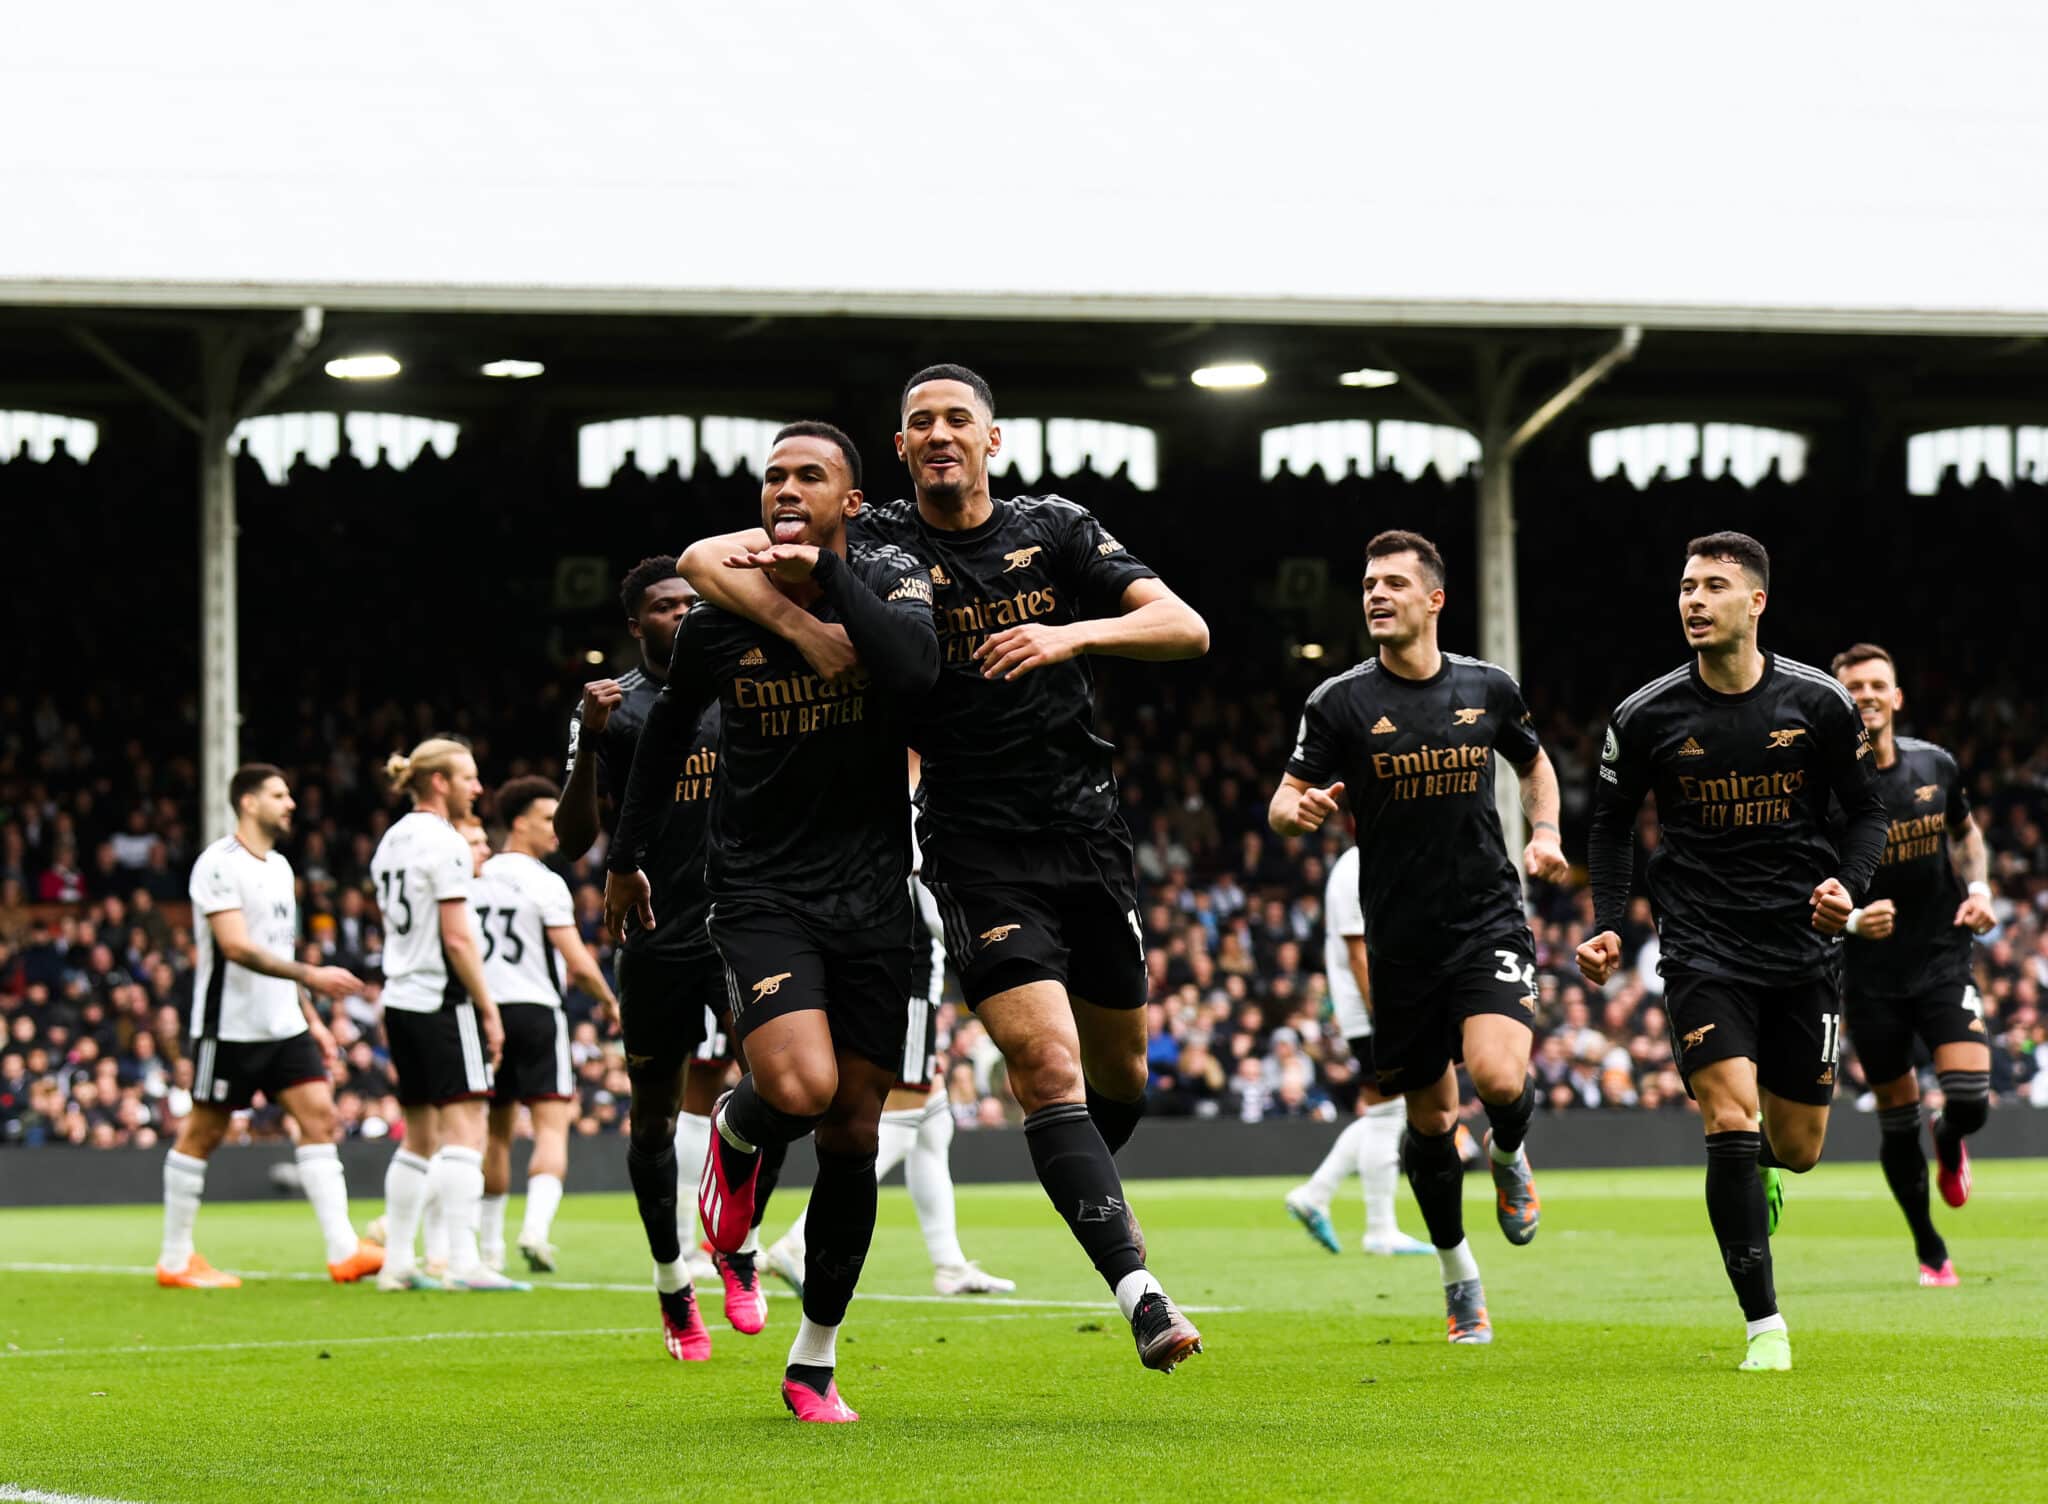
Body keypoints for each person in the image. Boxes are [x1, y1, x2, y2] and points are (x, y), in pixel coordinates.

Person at [677, 366, 1210, 1376]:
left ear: (990, 440)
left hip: (1088, 835)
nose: (937, 433)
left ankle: (1081, 1178)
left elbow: (1183, 625)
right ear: (899, 447)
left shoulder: (1053, 528)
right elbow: (707, 554)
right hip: (971, 842)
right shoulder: (875, 541)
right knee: (1044, 1067)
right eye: (918, 421)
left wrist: (1070, 633)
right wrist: (803, 627)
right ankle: (1140, 1294)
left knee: (1120, 1084)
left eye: (955, 418)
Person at [607, 421, 938, 1421]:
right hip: (759, 889)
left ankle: (815, 1357)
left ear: (850, 499)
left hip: (877, 897)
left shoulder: (891, 574)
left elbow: (912, 674)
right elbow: (665, 733)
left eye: (810, 477)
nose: (785, 490)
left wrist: (829, 583)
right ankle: (737, 1131)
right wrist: (622, 860)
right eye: (772, 477)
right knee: (797, 1085)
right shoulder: (720, 612)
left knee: (852, 1130)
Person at [1578, 532, 1887, 1372]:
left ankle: (1767, 1173)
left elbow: (1867, 812)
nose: (1693, 600)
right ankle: (1765, 1326)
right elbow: (1610, 825)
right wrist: (1611, 919)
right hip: (1702, 947)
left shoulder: (1819, 704)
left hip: (1802, 948)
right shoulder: (1646, 715)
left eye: (1714, 586)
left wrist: (1848, 889)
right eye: (1685, 586)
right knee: (1729, 1120)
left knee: (1797, 1147)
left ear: (1755, 603)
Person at [1270, 530, 1568, 1346]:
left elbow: (1535, 764)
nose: (1376, 594)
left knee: (1502, 1079)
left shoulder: (1488, 687)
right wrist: (1293, 811)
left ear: (1434, 599)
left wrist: (1544, 832)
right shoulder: (1339, 702)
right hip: (1401, 940)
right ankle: (1458, 1275)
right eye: (1369, 582)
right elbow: (1283, 799)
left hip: (1486, 917)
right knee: (1431, 1124)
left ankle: (1509, 1155)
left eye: (1395, 582)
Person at [555, 556, 758, 1361]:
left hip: (744, 919)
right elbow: (571, 842)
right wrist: (589, 747)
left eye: (692, 602)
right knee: (650, 1116)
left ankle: (734, 1247)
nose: (684, 613)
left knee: (782, 1084)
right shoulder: (619, 711)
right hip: (655, 932)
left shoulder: (741, 689)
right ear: (638, 624)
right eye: (667, 606)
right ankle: (674, 1285)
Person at [766, 775, 1016, 1298]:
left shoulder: (871, 804)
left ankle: (948, 1264)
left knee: (933, 1127)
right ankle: (796, 1242)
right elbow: (937, 913)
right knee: (899, 1123)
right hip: (910, 983)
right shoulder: (921, 809)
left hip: (885, 975)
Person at [157, 764, 383, 1289]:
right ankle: (174, 1259)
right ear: (248, 803)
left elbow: (278, 950)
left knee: (320, 1117)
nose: (291, 804)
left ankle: (343, 1249)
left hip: (285, 1025)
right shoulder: (216, 865)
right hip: (229, 1028)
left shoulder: (281, 867)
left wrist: (312, 1018)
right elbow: (235, 947)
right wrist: (313, 975)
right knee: (203, 1133)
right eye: (279, 795)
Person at [1830, 644, 1998, 1286]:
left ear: (1896, 698)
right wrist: (1849, 920)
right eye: (1854, 687)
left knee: (1971, 1102)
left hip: (1940, 960)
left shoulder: (1935, 766)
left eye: (1878, 685)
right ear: (1838, 702)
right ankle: (1931, 1252)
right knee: (1897, 1124)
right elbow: (1796, 883)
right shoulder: (1820, 793)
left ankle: (1950, 1136)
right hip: (1869, 980)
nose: (1867, 695)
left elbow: (1965, 832)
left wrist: (1979, 892)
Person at [367, 737, 526, 1293]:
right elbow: (458, 937)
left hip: (401, 997)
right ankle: (462, 1262)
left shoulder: (389, 842)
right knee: (466, 1128)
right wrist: (488, 1007)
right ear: (440, 782)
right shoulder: (447, 843)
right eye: (469, 778)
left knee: (417, 1136)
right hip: (442, 998)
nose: (477, 789)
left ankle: (397, 1265)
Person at [471, 777, 620, 1273]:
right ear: (517, 822)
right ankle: (535, 1230)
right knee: (552, 1124)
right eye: (545, 817)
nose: (556, 827)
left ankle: (488, 1249)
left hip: (485, 1011)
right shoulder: (545, 881)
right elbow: (576, 961)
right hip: (536, 1010)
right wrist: (610, 1001)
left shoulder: (474, 875)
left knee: (494, 1132)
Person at [1281, 839, 1433, 1258]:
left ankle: (1317, 1194)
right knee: (1389, 1112)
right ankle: (1379, 1230)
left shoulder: (1373, 859)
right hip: (1370, 1011)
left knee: (1385, 1111)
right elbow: (1358, 953)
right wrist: (1386, 1014)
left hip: (1374, 1009)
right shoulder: (1357, 866)